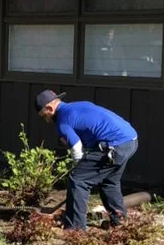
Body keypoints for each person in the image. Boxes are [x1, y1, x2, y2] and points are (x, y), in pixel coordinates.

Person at [35, 89, 138, 231]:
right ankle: (120, 223)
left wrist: (79, 170)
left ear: (49, 108)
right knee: (109, 182)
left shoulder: (62, 121)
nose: (46, 120)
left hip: (115, 146)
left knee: (78, 180)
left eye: (43, 116)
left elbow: (76, 149)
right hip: (130, 140)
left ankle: (75, 230)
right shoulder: (78, 106)